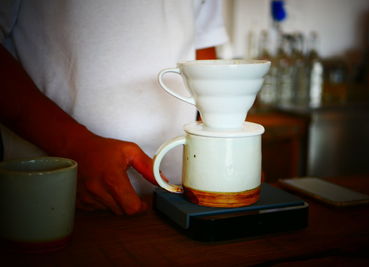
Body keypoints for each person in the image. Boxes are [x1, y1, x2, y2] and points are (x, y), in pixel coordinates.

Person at [0, 0, 228, 215]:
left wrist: (226, 147)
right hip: (52, 199)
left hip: (181, 196)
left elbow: (203, 52)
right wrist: (75, 145)